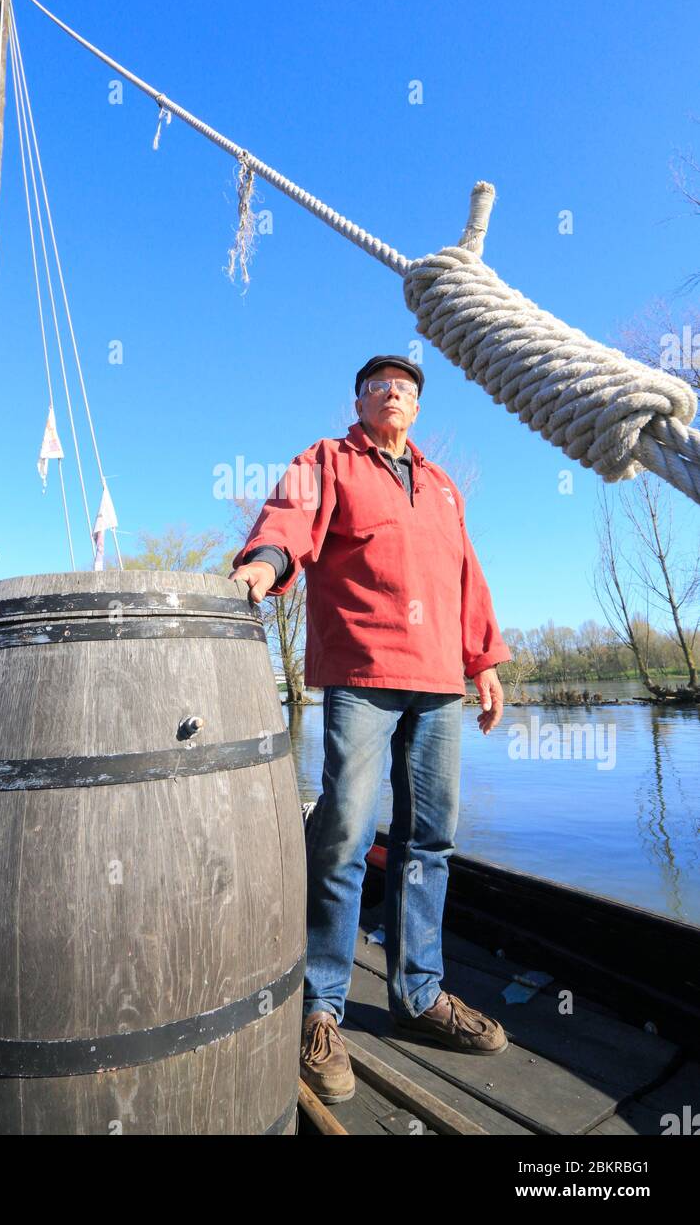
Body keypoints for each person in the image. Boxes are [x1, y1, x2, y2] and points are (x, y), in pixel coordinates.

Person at [230, 355, 513, 1104]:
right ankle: (319, 1009)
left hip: (439, 681)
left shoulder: (445, 488)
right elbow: (288, 517)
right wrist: (264, 562)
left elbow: (466, 577)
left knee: (430, 838)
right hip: (361, 675)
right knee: (348, 831)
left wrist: (483, 659)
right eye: (382, 385)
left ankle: (419, 995)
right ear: (357, 399)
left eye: (409, 388)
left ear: (418, 408)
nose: (396, 393)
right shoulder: (328, 460)